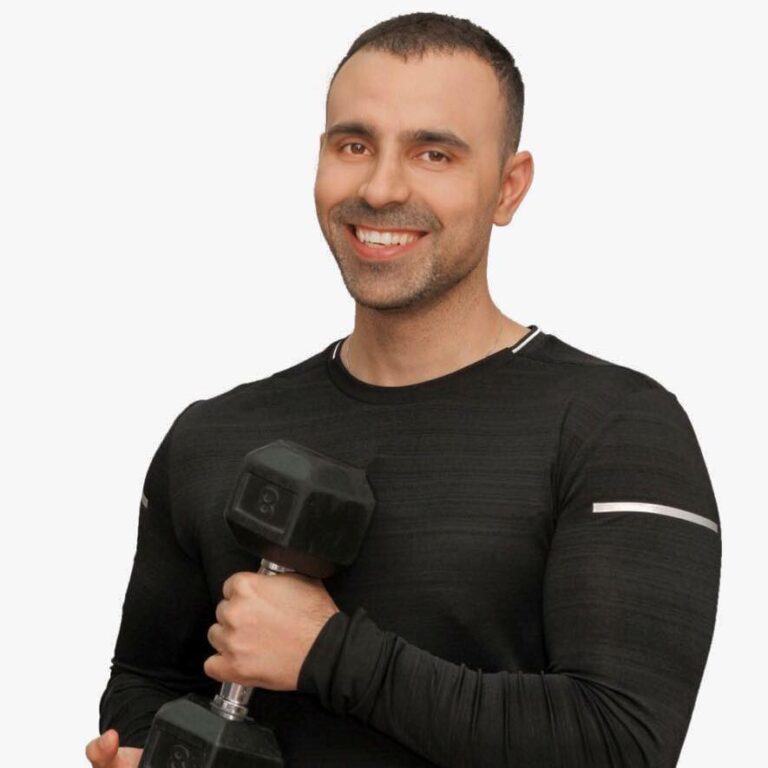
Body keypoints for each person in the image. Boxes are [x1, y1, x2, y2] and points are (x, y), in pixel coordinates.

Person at [86, 11, 721, 768]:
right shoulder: (210, 435)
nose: (381, 188)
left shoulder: (617, 429)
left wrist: (328, 652)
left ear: (508, 188)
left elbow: (622, 742)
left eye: (434, 154)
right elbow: (145, 683)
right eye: (354, 145)